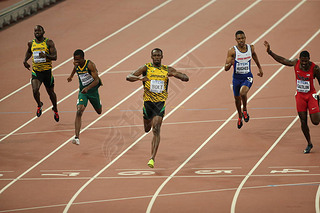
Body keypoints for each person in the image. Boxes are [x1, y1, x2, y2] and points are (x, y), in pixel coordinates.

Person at [126, 48, 189, 168]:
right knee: (146, 129)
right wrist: (140, 78)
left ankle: (152, 158)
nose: (156, 57)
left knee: (156, 129)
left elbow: (183, 76)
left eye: (158, 55)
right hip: (147, 103)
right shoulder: (146, 68)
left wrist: (181, 76)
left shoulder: (167, 69)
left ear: (162, 56)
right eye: (154, 55)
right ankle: (147, 121)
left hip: (159, 104)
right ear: (151, 57)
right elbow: (129, 76)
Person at [264, 41, 320, 153]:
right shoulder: (295, 63)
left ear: (309, 59)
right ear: (299, 59)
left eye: (306, 61)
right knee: (303, 122)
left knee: (315, 122)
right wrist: (270, 52)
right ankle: (309, 143)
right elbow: (283, 60)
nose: (304, 63)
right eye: (302, 61)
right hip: (300, 96)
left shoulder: (315, 68)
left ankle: (317, 104)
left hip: (311, 95)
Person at [225, 30, 263, 129]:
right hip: (236, 79)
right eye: (239, 39)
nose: (241, 40)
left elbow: (254, 55)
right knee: (237, 100)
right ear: (236, 40)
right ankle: (239, 116)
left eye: (242, 38)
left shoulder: (251, 48)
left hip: (247, 77)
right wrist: (230, 64)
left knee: (243, 92)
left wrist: (259, 67)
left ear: (245, 38)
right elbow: (225, 68)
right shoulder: (232, 51)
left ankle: (245, 109)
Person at [23, 25, 59, 121]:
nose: (37, 32)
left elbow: (55, 57)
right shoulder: (31, 43)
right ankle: (39, 104)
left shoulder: (48, 42)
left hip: (47, 72)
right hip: (36, 72)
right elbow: (29, 52)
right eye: (35, 31)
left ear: (43, 32)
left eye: (39, 30)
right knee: (35, 90)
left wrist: (46, 55)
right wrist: (25, 61)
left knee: (51, 93)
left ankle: (55, 109)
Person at [67, 49, 102, 145]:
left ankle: (99, 102)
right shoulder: (76, 64)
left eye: (78, 59)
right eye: (74, 59)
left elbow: (97, 81)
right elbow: (75, 68)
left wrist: (88, 88)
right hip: (83, 92)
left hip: (92, 91)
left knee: (99, 111)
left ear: (83, 58)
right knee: (79, 111)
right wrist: (71, 76)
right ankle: (76, 137)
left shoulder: (90, 65)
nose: (76, 61)